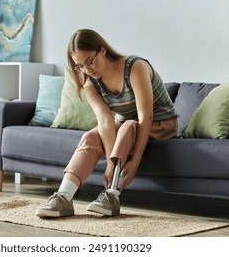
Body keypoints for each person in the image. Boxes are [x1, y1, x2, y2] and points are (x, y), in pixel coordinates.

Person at [35, 29, 178, 218]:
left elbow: (146, 117)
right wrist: (110, 164)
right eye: (80, 66)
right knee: (91, 136)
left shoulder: (135, 67)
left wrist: (134, 163)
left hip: (161, 123)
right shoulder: (91, 84)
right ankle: (63, 197)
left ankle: (112, 195)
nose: (88, 69)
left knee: (128, 126)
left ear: (102, 50)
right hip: (127, 124)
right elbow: (105, 122)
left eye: (90, 61)